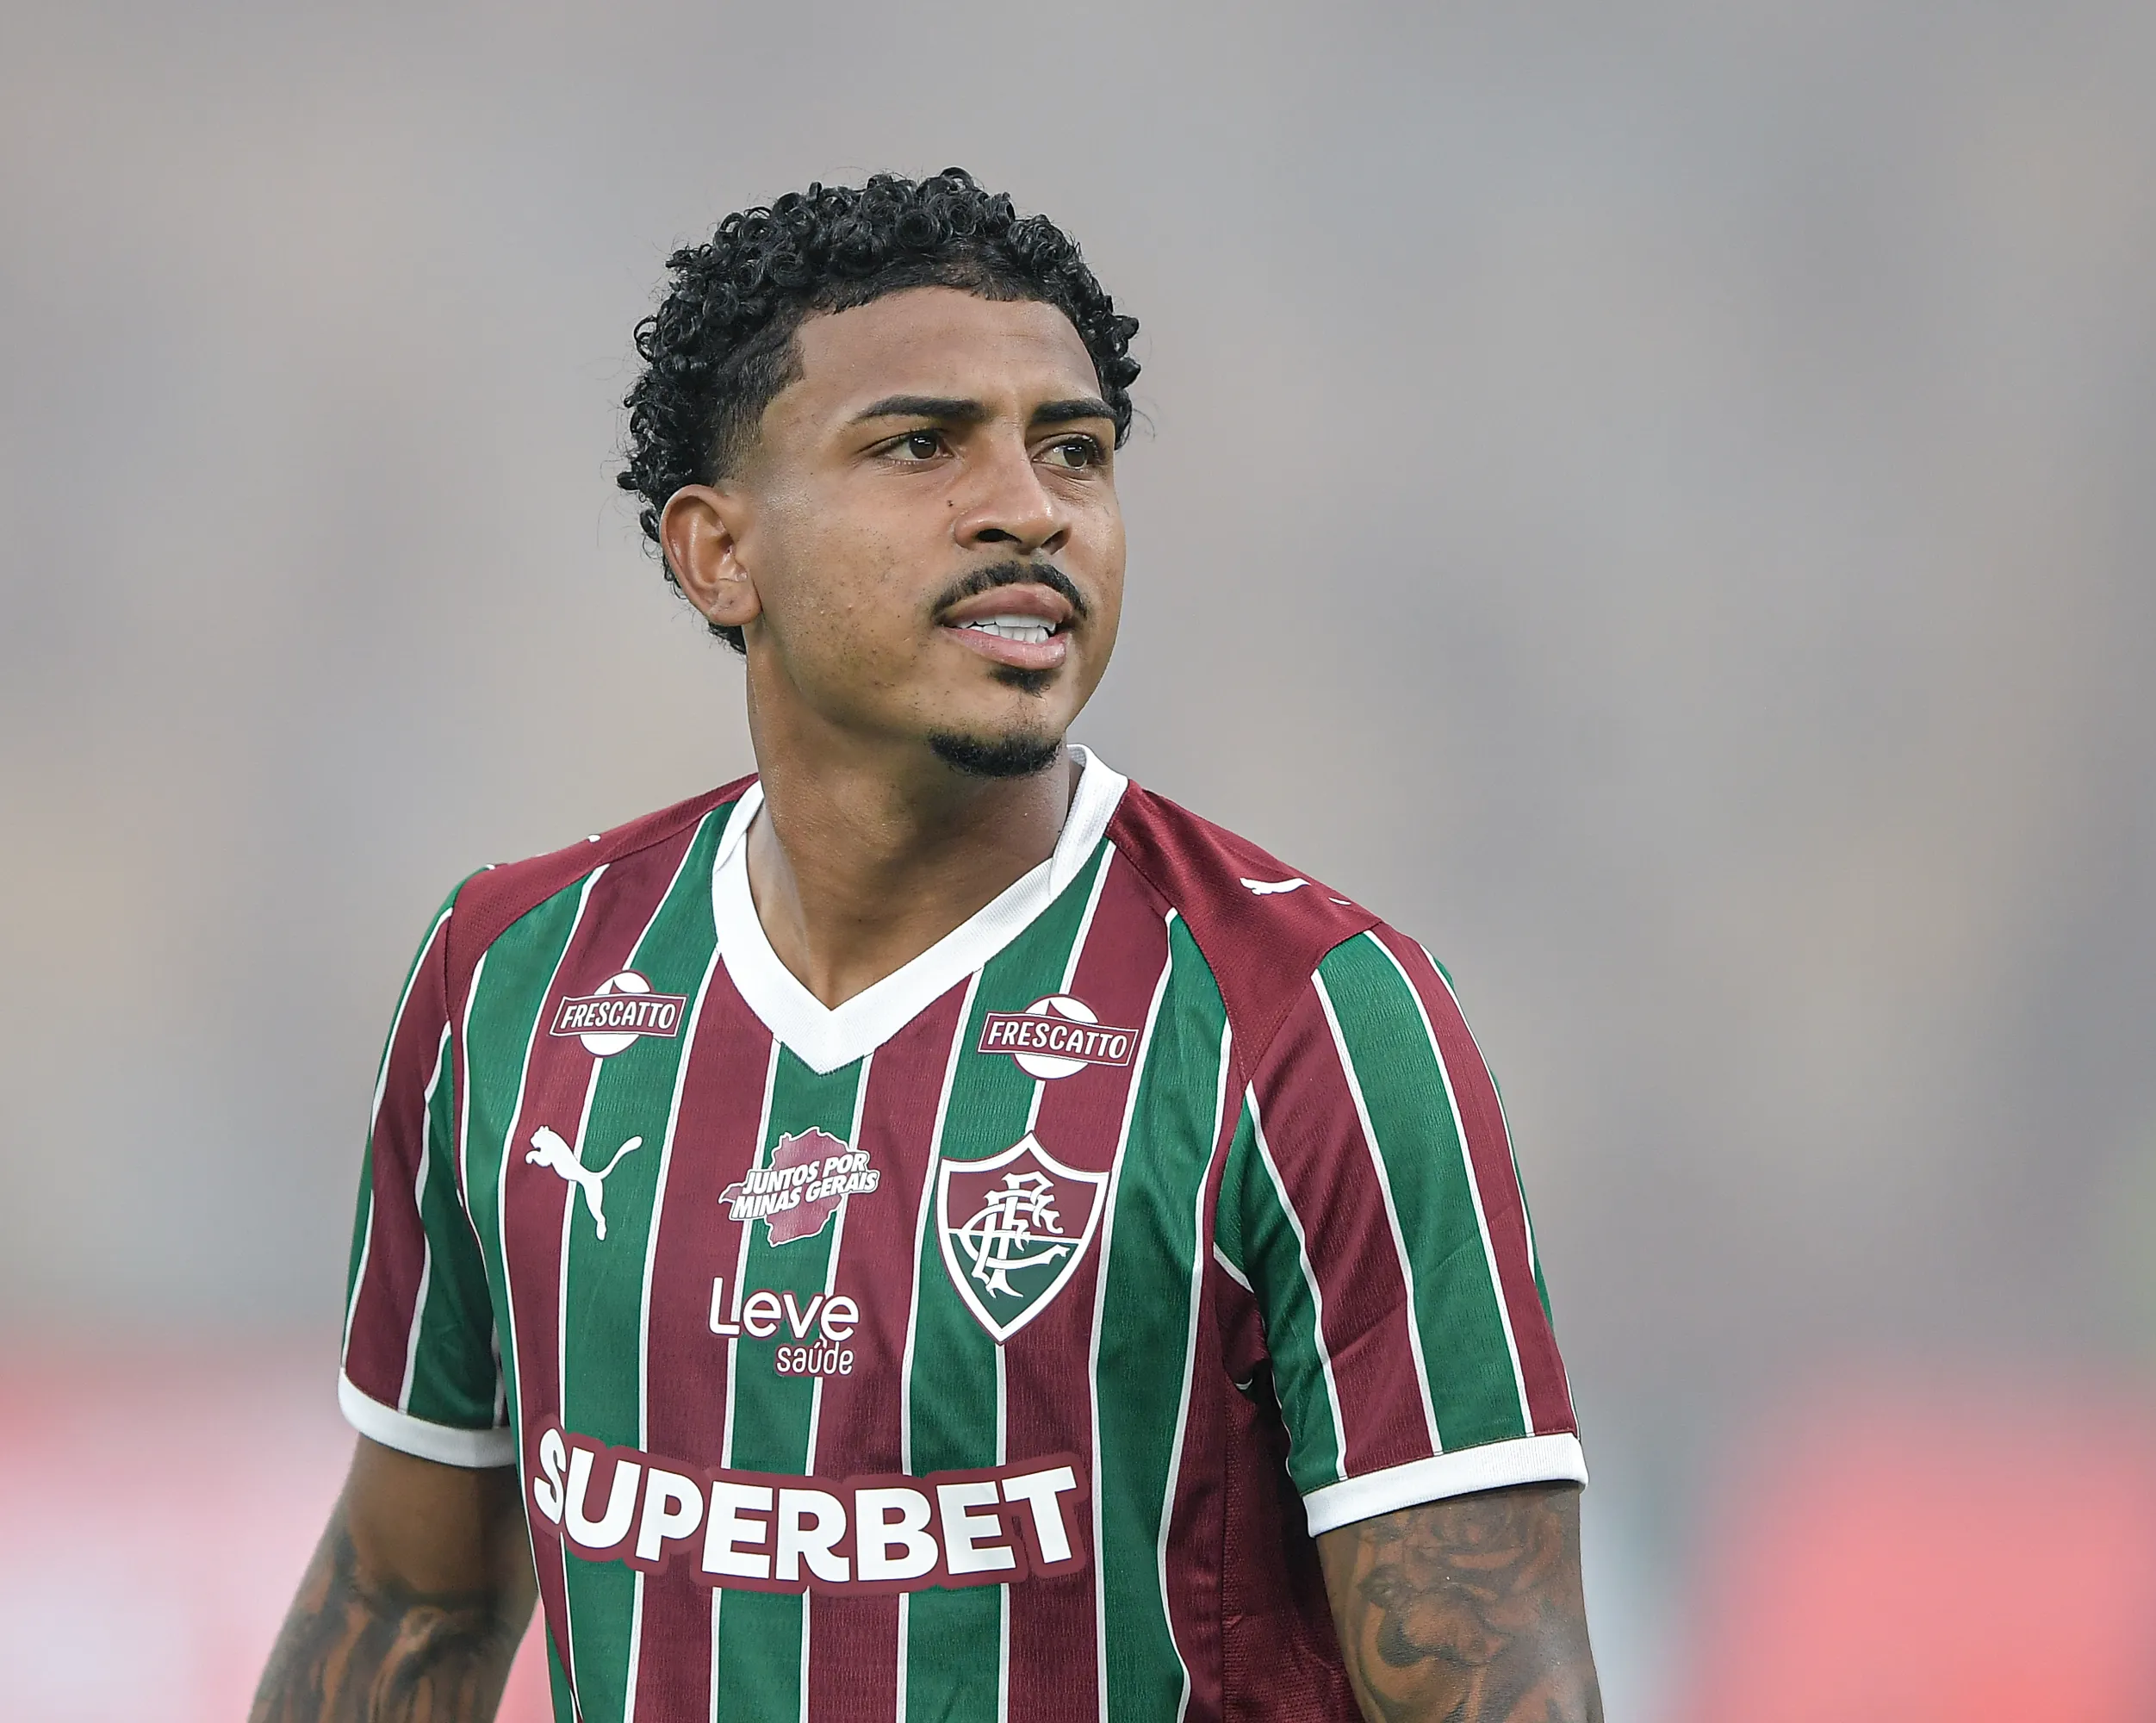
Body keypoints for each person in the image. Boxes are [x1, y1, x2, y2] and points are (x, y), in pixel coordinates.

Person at [251, 170, 1599, 1723]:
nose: (1029, 505)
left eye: (1073, 452)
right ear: (717, 556)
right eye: (920, 444)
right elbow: (410, 1604)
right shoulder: (513, 977)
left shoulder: (1312, 1021)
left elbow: (1494, 1680)